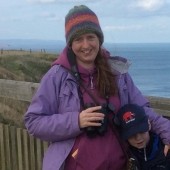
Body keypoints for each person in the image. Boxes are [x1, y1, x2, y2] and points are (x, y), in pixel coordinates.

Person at [24, 5, 170, 170]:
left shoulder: (117, 73)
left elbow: (142, 110)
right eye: (78, 39)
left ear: (99, 39)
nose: (86, 45)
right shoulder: (57, 76)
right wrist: (76, 121)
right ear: (70, 43)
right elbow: (34, 122)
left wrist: (167, 133)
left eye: (91, 37)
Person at [116, 104, 170, 170]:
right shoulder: (125, 155)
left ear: (149, 124)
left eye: (141, 131)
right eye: (131, 134)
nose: (138, 138)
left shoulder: (165, 148)